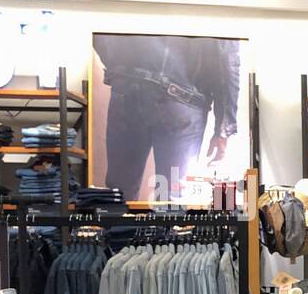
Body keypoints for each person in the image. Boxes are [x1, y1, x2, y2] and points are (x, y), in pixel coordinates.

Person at [95, 34, 240, 202]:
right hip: (184, 98)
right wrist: (224, 129)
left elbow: (101, 31)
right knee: (170, 198)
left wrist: (119, 69)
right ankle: (166, 226)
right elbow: (228, 57)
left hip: (129, 86)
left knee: (119, 193)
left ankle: (118, 227)